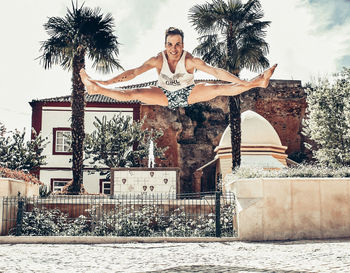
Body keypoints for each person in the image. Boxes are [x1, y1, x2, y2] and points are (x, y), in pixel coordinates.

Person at [80, 27, 277, 109]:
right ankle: (97, 89)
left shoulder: (190, 60)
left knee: (219, 88)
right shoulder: (158, 59)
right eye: (170, 44)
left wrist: (242, 81)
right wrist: (106, 81)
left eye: (178, 44)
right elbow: (133, 73)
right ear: (165, 45)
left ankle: (258, 82)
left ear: (182, 45)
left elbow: (217, 72)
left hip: (189, 93)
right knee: (133, 93)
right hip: (164, 93)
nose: (174, 49)